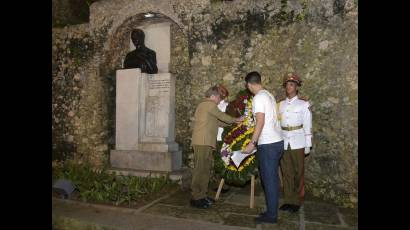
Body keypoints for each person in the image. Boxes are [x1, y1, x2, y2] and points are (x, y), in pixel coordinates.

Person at [190, 85, 243, 209]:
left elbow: (219, 122)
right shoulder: (209, 104)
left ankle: (202, 195)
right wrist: (236, 119)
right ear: (213, 96)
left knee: (205, 169)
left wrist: (234, 124)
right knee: (200, 169)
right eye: (219, 98)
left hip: (205, 142)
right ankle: (196, 197)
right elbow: (222, 116)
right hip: (202, 142)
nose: (219, 101)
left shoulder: (205, 106)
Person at [243, 71, 284, 224]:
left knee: (269, 180)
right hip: (277, 141)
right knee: (271, 178)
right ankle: (271, 210)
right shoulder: (268, 95)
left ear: (249, 85)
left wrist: (252, 143)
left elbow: (260, 121)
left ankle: (272, 216)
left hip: (268, 144)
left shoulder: (258, 97)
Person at [278, 73, 312, 213]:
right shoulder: (280, 104)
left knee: (298, 172)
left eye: (292, 84)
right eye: (287, 84)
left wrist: (308, 144)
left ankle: (297, 200)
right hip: (284, 140)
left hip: (298, 141)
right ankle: (288, 200)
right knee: (286, 172)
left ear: (297, 87)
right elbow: (277, 123)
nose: (289, 87)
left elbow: (307, 124)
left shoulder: (304, 104)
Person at [212, 85, 231, 193]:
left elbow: (227, 121)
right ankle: (218, 182)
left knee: (224, 160)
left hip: (222, 138)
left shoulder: (227, 106)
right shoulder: (212, 106)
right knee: (216, 160)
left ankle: (225, 184)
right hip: (213, 136)